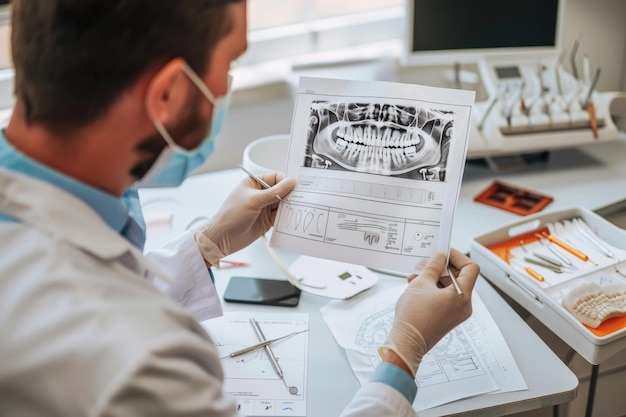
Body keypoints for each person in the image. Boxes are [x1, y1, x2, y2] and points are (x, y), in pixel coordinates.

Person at [0, 1, 480, 416]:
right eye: (230, 63)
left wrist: (204, 246)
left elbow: (90, 292)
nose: (227, 85)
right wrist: (402, 356)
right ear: (168, 94)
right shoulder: (145, 364)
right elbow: (104, 322)